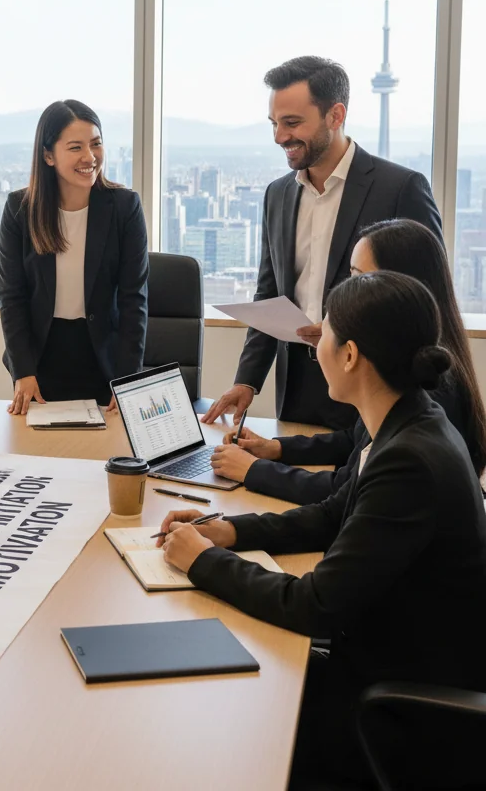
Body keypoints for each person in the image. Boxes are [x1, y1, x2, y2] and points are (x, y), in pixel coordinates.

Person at [159, 271, 486, 788]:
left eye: (326, 331)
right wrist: (227, 531)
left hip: (399, 701)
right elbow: (331, 515)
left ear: (351, 354)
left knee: (226, 724)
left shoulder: (410, 459)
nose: (317, 342)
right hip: (388, 652)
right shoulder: (404, 422)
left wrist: (201, 562)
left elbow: (313, 605)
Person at [202, 56, 442, 431]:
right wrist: (247, 380)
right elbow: (270, 292)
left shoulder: (400, 189)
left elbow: (427, 299)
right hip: (296, 387)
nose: (280, 136)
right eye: (275, 123)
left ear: (336, 115)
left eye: (292, 123)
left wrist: (341, 325)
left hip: (373, 384)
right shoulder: (277, 195)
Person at [211, 218, 486, 503]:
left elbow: (346, 490)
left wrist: (254, 470)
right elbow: (356, 440)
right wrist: (276, 449)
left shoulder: (427, 384)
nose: (350, 289)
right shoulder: (409, 359)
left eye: (359, 277)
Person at [0, 99, 148, 414]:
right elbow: (12, 297)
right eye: (76, 147)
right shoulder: (20, 210)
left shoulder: (124, 207)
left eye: (96, 144)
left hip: (105, 363)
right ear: (48, 155)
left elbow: (134, 301)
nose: (90, 157)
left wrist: (127, 381)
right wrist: (23, 371)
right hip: (40, 362)